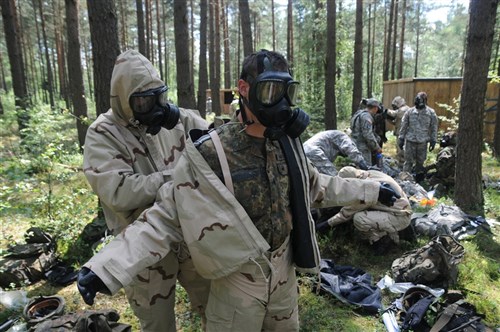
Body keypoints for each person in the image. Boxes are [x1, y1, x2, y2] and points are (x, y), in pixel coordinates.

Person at [77, 50, 400, 331]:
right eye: (271, 91)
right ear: (245, 90)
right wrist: (105, 268)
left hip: (283, 275)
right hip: (236, 281)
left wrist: (372, 190)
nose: (282, 103)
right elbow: (163, 218)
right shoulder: (212, 153)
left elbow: (316, 186)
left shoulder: (286, 144)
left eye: (288, 91)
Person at [81, 49, 210, 331]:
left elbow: (218, 140)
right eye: (142, 102)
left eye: (157, 98)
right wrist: (174, 177)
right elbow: (119, 191)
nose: (152, 108)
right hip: (142, 249)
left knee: (215, 311)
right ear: (123, 100)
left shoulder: (173, 120)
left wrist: (184, 117)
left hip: (189, 236)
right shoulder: (103, 133)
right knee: (158, 325)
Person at [315, 166, 411, 248]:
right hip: (401, 210)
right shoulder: (372, 174)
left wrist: (326, 224)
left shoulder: (367, 190)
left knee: (359, 219)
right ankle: (391, 231)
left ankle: (381, 240)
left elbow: (346, 214)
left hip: (400, 217)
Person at [398, 91, 438, 181]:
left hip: (422, 142)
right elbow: (404, 125)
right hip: (410, 141)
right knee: (408, 162)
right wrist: (401, 138)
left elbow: (434, 127)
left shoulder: (431, 113)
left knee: (420, 163)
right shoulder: (410, 111)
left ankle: (418, 181)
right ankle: (405, 181)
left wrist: (433, 140)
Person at [303, 130, 369, 176]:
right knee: (333, 178)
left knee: (315, 177)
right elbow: (350, 149)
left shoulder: (332, 136)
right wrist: (361, 162)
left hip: (304, 150)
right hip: (314, 151)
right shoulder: (343, 136)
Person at [350, 98, 383, 166]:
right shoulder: (366, 117)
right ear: (375, 108)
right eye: (377, 109)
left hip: (354, 144)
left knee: (357, 167)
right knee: (366, 168)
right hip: (362, 147)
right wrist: (377, 147)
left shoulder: (358, 113)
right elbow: (368, 135)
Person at [425, 131, 457, 196]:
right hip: (457, 177)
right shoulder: (460, 149)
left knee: (426, 181)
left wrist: (427, 168)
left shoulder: (447, 150)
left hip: (448, 177)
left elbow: (442, 164)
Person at [387, 96, 409, 165]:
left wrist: (386, 111)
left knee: (402, 151)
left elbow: (395, 113)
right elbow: (395, 122)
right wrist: (388, 119)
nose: (394, 107)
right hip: (400, 133)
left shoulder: (405, 109)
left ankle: (403, 165)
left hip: (404, 134)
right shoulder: (401, 110)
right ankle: (401, 163)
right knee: (399, 150)